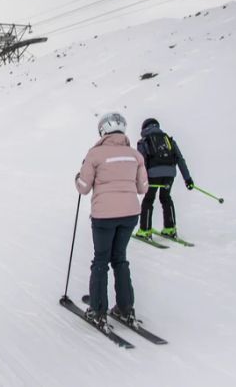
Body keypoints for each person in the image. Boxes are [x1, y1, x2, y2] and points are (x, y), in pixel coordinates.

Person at [74, 112, 148, 329]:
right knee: (120, 259)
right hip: (130, 215)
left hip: (104, 216)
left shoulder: (95, 154)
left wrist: (77, 178)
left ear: (103, 131)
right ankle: (125, 308)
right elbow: (143, 187)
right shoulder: (135, 155)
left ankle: (98, 310)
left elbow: (84, 188)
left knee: (100, 261)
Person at [135, 118, 194, 239]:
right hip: (170, 174)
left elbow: (141, 162)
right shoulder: (169, 140)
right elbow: (180, 159)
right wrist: (187, 179)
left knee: (148, 200)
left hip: (152, 175)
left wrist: (141, 179)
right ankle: (170, 228)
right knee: (166, 198)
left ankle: (145, 230)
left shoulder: (144, 141)